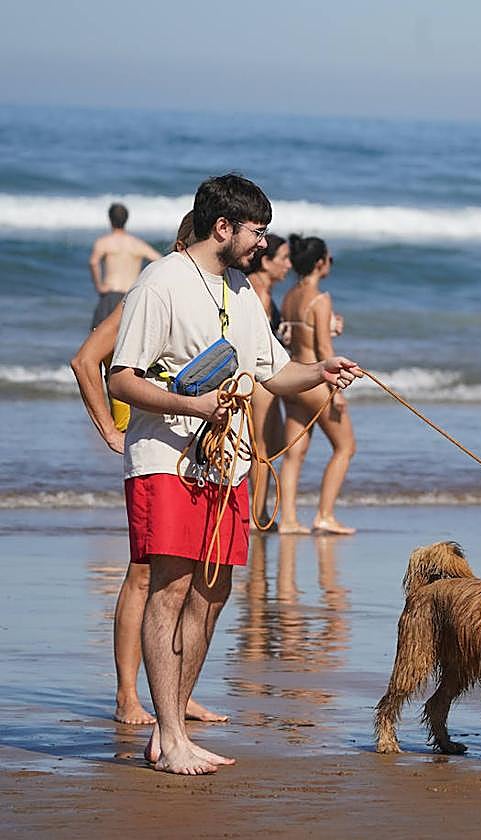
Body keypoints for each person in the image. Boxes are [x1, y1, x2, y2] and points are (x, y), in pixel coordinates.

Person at [108, 174, 362, 775]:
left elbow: (274, 374)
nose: (261, 243)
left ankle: (169, 729)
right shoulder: (160, 282)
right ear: (223, 227)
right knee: (169, 587)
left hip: (228, 463)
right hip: (166, 457)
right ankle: (170, 735)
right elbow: (123, 378)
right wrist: (194, 406)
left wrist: (322, 370)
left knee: (213, 592)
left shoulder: (243, 290)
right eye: (256, 231)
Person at [71, 212, 225, 726]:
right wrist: (109, 433)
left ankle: (175, 698)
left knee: (185, 575)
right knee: (144, 575)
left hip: (195, 452)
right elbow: (86, 360)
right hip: (151, 446)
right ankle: (126, 696)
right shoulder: (153, 287)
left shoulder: (208, 297)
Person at [276, 234, 357, 536]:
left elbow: (294, 339)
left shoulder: (289, 297)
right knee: (345, 447)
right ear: (320, 263)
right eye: (329, 259)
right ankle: (324, 514)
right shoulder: (320, 299)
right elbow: (323, 351)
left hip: (293, 377)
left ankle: (288, 520)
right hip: (316, 382)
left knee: (294, 454)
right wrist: (336, 393)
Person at [245, 234, 291, 527]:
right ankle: (255, 515)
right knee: (259, 450)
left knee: (270, 447)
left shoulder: (264, 292)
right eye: (283, 258)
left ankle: (259, 511)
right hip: (261, 380)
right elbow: (255, 342)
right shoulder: (258, 293)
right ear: (266, 261)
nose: (288, 264)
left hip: (265, 377)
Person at [89, 203, 161, 330]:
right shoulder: (137, 244)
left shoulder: (104, 242)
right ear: (126, 220)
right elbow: (160, 261)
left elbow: (93, 262)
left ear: (110, 219)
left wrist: (99, 286)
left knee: (98, 337)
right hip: (131, 296)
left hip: (111, 294)